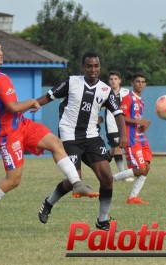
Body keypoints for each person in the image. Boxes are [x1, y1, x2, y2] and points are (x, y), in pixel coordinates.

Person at [0, 37, 99, 234]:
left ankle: (77, 184)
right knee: (13, 180)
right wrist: (33, 102)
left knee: (55, 143)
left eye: (1, 49)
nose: (1, 53)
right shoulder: (0, 79)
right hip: (8, 133)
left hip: (21, 124)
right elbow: (13, 106)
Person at [36, 51, 127, 231]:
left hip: (92, 137)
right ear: (83, 67)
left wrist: (123, 136)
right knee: (73, 180)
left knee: (107, 178)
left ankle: (102, 221)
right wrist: (30, 106)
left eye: (96, 66)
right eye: (89, 66)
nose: (93, 69)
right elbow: (48, 97)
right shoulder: (72, 82)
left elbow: (119, 114)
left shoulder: (106, 90)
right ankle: (48, 203)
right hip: (69, 136)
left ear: (99, 67)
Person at [112, 73, 152, 204]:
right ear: (132, 84)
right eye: (138, 81)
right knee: (140, 169)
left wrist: (142, 126)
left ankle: (133, 197)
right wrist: (138, 122)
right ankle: (110, 179)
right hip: (131, 138)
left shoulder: (141, 101)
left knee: (146, 167)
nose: (140, 83)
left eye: (143, 81)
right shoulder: (128, 98)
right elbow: (121, 117)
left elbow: (136, 120)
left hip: (141, 137)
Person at [104, 71, 133, 181]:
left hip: (124, 124)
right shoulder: (105, 93)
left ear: (119, 80)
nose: (113, 81)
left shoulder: (126, 92)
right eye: (111, 79)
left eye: (115, 79)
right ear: (109, 81)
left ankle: (101, 160)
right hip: (111, 125)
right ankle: (123, 174)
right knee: (117, 148)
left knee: (114, 150)